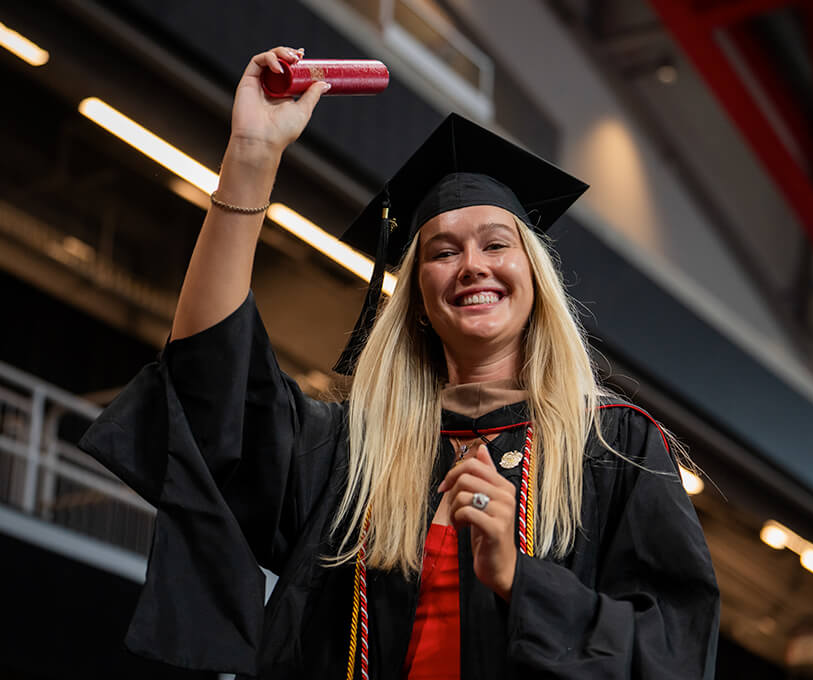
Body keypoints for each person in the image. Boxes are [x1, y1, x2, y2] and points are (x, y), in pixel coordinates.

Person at [78, 46, 720, 679]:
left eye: (497, 244)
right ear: (415, 297)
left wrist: (519, 580)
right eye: (442, 252)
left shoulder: (610, 447)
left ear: (535, 279)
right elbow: (208, 381)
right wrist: (251, 156)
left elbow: (674, 653)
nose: (472, 265)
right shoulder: (349, 452)